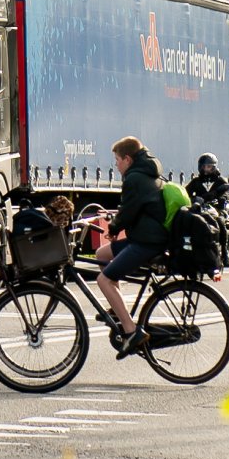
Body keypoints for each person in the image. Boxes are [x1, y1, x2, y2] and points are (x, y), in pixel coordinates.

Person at [96, 136, 168, 356]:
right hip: (147, 236)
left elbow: (128, 211)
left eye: (117, 160)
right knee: (102, 254)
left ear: (127, 159)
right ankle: (118, 310)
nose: (116, 165)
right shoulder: (147, 172)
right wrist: (117, 226)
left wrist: (113, 228)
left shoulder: (134, 178)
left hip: (147, 242)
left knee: (103, 280)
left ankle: (131, 331)